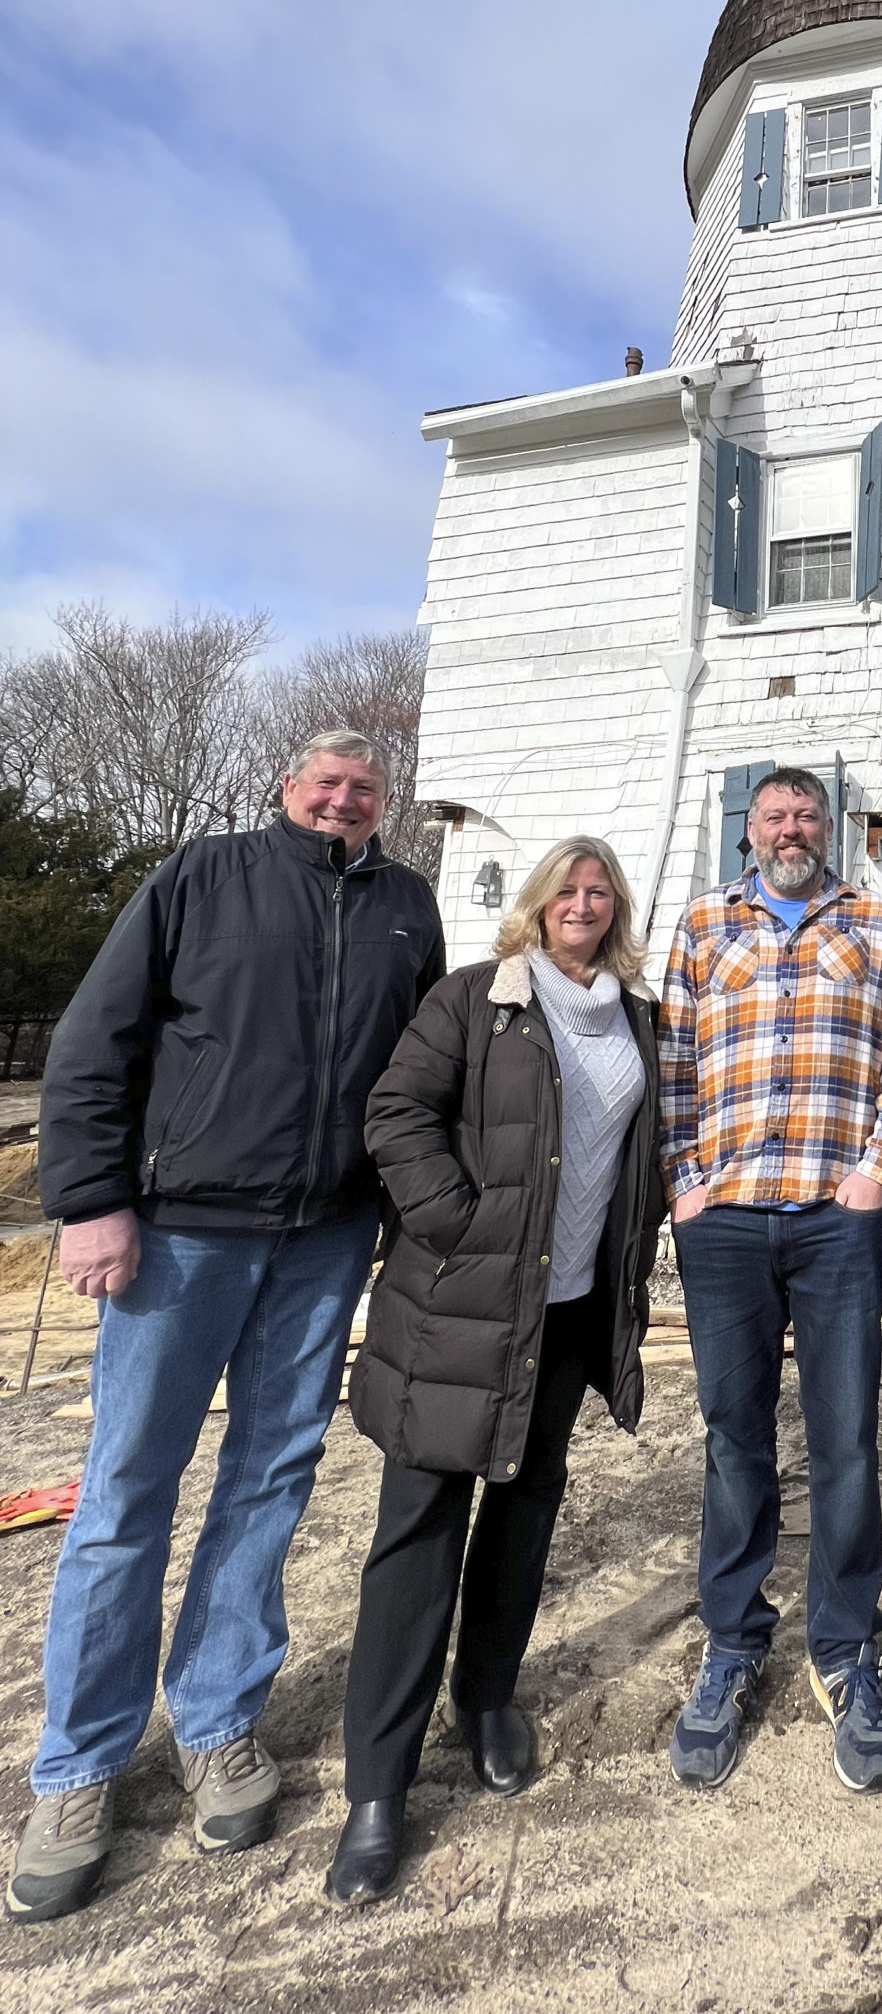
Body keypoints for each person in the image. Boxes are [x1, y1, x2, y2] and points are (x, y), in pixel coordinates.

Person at [8, 735, 444, 1928]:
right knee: (126, 1488)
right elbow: (96, 1042)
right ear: (287, 790)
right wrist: (91, 1201)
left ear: (382, 803)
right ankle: (81, 1766)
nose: (344, 799)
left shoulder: (409, 907)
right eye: (326, 782)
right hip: (183, 1231)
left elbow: (418, 1074)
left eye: (365, 787)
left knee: (271, 1476)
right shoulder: (202, 876)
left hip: (325, 1236)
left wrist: (408, 1212)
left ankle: (216, 1721)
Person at [323, 838, 666, 1906]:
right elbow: (396, 1112)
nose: (584, 902)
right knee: (419, 1527)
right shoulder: (478, 998)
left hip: (567, 1311)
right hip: (462, 1308)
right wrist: (457, 1223)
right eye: (568, 888)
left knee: (525, 1509)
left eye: (600, 890)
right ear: (538, 903)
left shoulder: (636, 1015)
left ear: (617, 911)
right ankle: (377, 1786)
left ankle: (487, 1698)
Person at [658, 768, 882, 1795]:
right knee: (734, 1434)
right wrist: (683, 1181)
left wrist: (875, 1174)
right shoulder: (700, 928)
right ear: (749, 830)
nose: (790, 828)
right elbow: (674, 1063)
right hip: (724, 1220)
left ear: (831, 827)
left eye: (806, 815)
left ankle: (846, 1645)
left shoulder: (873, 922)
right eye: (773, 815)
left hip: (832, 1219)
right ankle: (732, 1642)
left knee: (845, 1433)